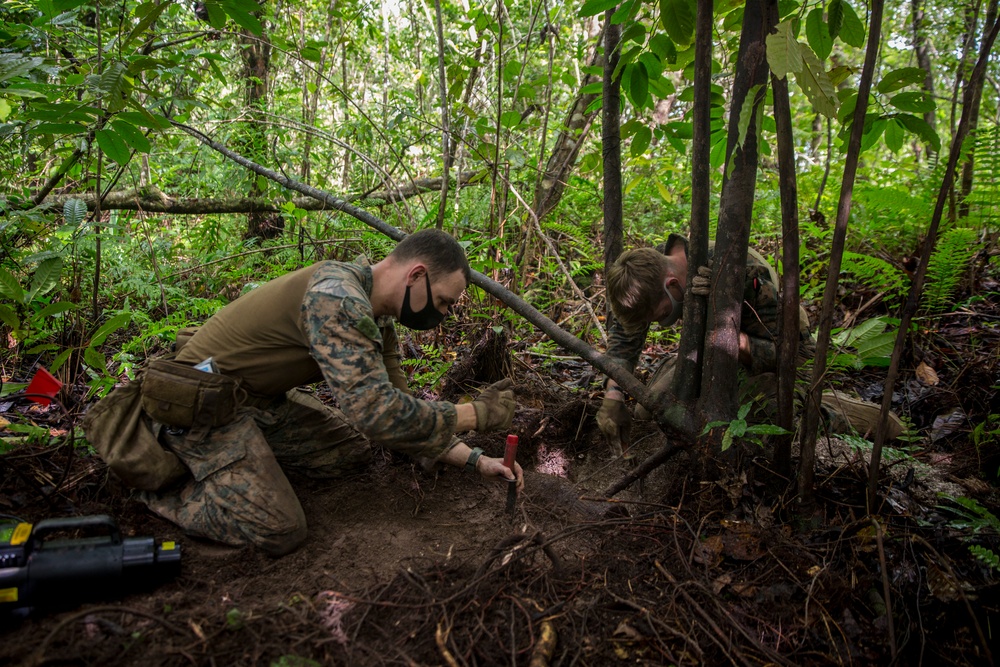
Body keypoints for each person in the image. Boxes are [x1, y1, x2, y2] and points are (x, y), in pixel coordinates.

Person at [85, 229, 523, 556]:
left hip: (252, 403)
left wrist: (477, 460)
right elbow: (375, 412)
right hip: (198, 405)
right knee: (278, 530)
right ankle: (158, 489)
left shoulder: (376, 312)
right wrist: (476, 415)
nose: (442, 314)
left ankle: (244, 458)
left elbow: (398, 410)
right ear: (417, 274)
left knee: (348, 452)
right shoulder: (337, 299)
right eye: (444, 301)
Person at [596, 233, 903, 455]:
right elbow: (626, 336)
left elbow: (787, 353)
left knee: (767, 427)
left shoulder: (740, 269)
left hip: (772, 356)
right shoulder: (650, 275)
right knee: (651, 412)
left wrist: (719, 321)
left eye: (662, 316)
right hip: (709, 356)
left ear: (673, 285)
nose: (662, 323)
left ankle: (846, 411)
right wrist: (613, 394)